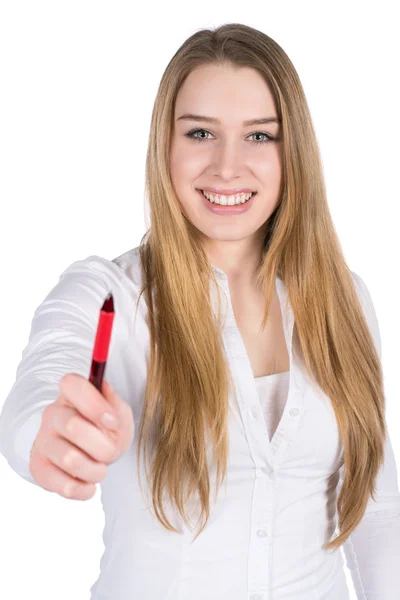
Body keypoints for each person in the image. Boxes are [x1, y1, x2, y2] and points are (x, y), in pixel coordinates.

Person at [0, 23, 399, 600]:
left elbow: (377, 513)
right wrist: (47, 435)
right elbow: (40, 386)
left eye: (260, 136)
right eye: (201, 133)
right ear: (165, 144)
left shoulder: (346, 300)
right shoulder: (111, 295)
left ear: (295, 152)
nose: (227, 167)